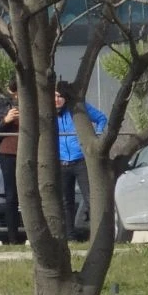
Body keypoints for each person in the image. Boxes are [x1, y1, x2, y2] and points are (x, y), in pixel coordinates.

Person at [54, 81, 107, 241]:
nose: (57, 100)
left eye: (60, 96)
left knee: (90, 197)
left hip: (81, 160)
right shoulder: (47, 112)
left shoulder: (78, 109)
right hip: (61, 162)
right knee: (65, 202)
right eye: (54, 96)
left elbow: (101, 118)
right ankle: (70, 236)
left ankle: (96, 234)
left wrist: (94, 139)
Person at [0, 77, 24, 245]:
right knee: (11, 196)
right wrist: (6, 120)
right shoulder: (0, 105)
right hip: (8, 154)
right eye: (14, 93)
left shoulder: (34, 101)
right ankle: (12, 238)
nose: (16, 97)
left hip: (30, 153)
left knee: (32, 194)